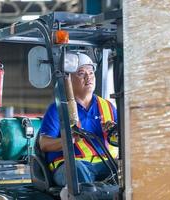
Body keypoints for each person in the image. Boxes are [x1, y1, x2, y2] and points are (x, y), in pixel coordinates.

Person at [39, 52, 117, 186]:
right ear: (68, 80)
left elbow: (120, 141)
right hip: (71, 165)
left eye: (91, 73)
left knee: (128, 167)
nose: (88, 78)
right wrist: (69, 139)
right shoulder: (58, 109)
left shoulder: (108, 106)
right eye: (81, 74)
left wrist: (114, 132)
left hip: (105, 164)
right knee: (77, 169)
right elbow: (44, 144)